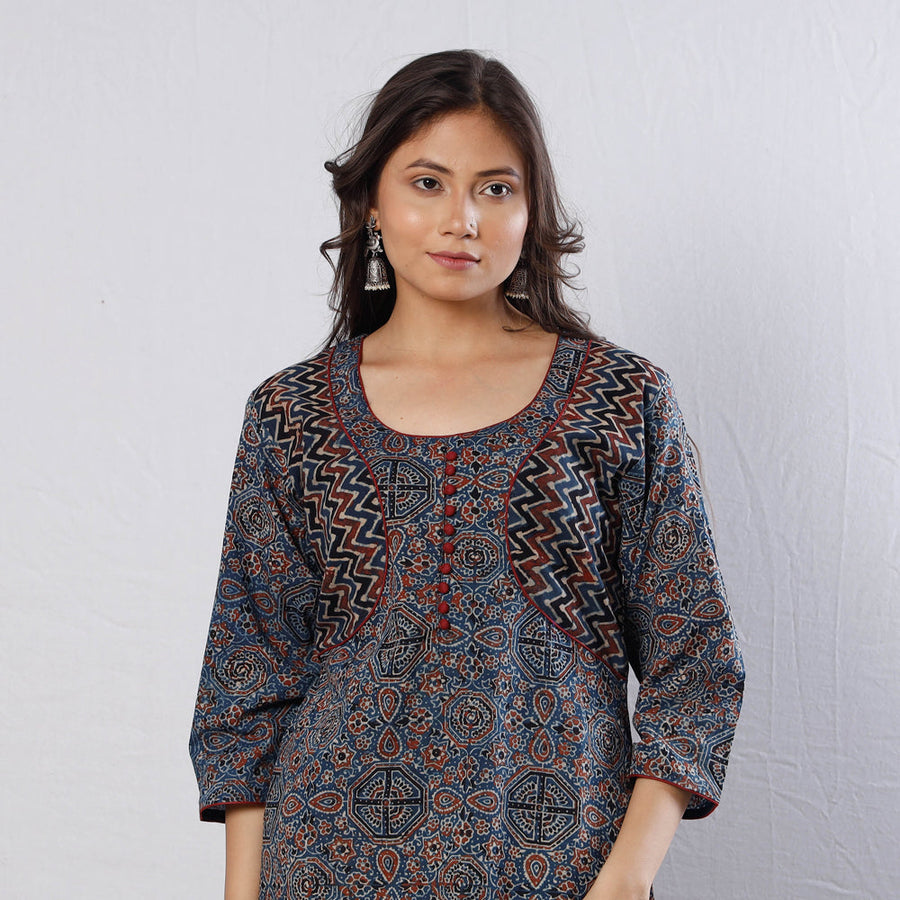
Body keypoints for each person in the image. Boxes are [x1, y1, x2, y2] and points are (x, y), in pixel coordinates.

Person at [189, 49, 744, 900]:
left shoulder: (620, 399)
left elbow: (694, 661)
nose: (463, 220)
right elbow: (248, 678)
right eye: (428, 183)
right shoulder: (291, 414)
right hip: (325, 865)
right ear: (373, 204)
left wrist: (628, 877)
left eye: (496, 188)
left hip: (559, 869)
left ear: (532, 210)